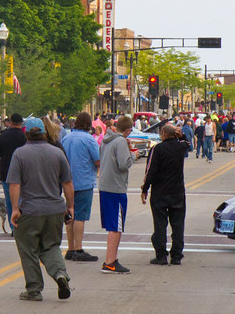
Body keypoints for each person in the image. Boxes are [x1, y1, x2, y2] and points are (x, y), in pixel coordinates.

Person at [6, 117, 74, 302]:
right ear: (44, 132)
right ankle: (60, 274)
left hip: (30, 210)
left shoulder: (19, 154)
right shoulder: (57, 153)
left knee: (28, 249)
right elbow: (67, 182)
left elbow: (14, 185)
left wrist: (14, 209)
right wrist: (70, 206)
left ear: (26, 132)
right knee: (51, 246)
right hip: (54, 209)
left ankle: (34, 289)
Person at [141, 124, 190, 265]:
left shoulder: (157, 149)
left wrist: (145, 189)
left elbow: (150, 171)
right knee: (178, 225)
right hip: (177, 192)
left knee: (160, 225)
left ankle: (161, 255)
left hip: (160, 193)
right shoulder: (180, 148)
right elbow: (188, 143)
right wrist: (181, 135)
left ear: (163, 133)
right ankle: (176, 255)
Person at [61, 112, 100, 262]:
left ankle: (70, 249)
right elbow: (98, 160)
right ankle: (79, 249)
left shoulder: (66, 138)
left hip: (67, 182)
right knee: (80, 217)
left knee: (69, 215)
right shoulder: (89, 139)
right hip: (83, 181)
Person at [99, 115, 136, 274]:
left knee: (112, 226)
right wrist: (134, 155)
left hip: (105, 186)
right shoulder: (120, 141)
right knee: (116, 226)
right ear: (127, 129)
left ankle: (110, 259)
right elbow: (124, 164)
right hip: (116, 187)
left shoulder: (106, 140)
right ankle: (110, 261)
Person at [0, 113, 27, 233]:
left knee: (10, 200)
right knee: (22, 200)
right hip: (22, 173)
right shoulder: (24, 137)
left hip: (6, 172)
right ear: (21, 123)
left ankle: (13, 227)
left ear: (11, 122)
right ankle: (22, 225)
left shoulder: (3, 136)